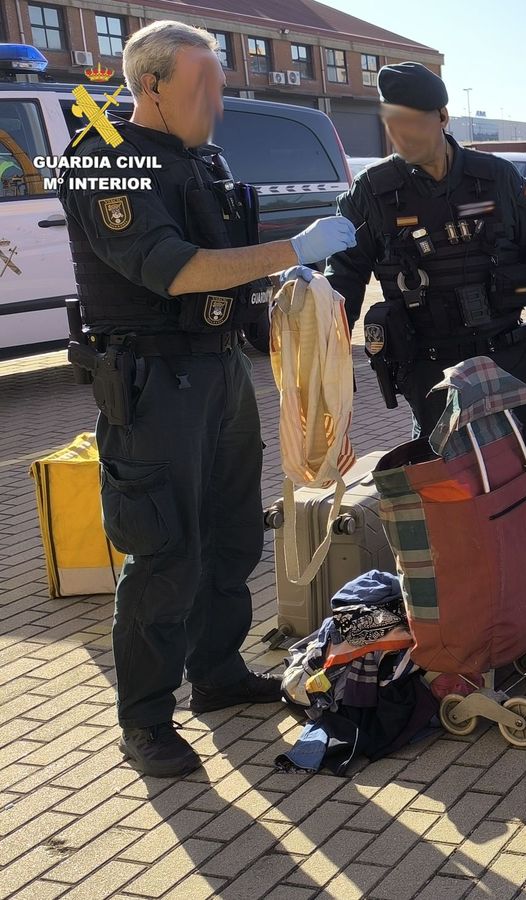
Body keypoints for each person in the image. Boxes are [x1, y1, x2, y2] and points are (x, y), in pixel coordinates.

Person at [59, 21, 357, 776]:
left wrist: (276, 303)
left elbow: (225, 268)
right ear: (151, 85)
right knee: (165, 552)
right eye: (206, 86)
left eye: (219, 84)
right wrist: (292, 249)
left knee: (231, 537)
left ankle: (217, 674)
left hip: (218, 372)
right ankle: (146, 720)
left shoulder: (203, 160)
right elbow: (172, 268)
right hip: (153, 385)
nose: (218, 102)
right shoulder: (106, 162)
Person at [324, 62, 526, 441]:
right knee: (447, 477)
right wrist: (329, 350)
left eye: (412, 121)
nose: (401, 134)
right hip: (428, 363)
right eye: (392, 123)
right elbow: (344, 275)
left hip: (505, 352)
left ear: (442, 115)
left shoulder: (497, 178)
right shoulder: (373, 192)